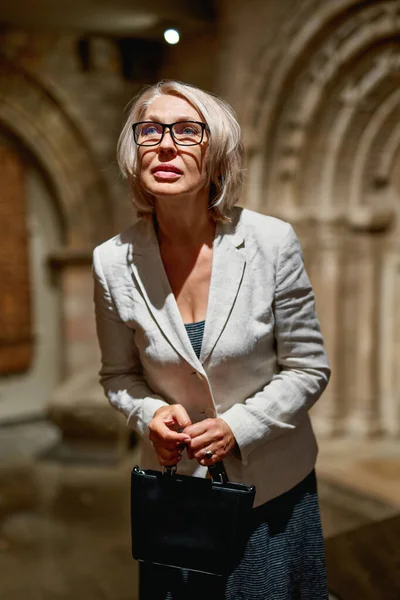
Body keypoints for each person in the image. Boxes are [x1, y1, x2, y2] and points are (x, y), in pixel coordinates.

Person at [93, 80, 331, 599]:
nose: (165, 144)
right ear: (135, 154)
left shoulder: (269, 243)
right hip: (177, 497)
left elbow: (308, 367)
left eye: (186, 130)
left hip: (271, 492)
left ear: (217, 153)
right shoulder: (112, 261)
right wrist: (148, 414)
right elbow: (118, 376)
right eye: (150, 130)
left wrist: (238, 427)